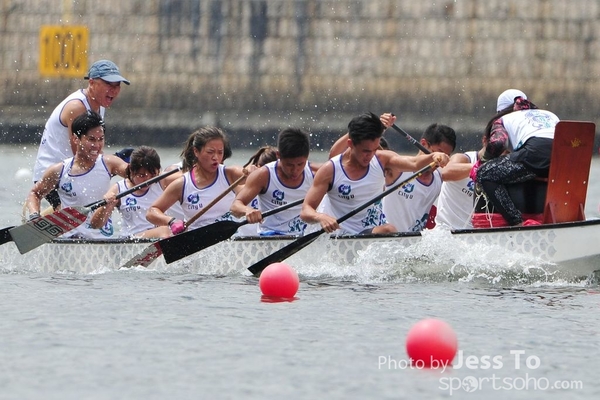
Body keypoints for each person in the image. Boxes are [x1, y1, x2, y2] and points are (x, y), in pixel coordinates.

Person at [300, 112, 449, 235]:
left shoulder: (382, 159)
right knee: (389, 229)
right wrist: (320, 217)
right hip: (339, 235)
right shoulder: (330, 170)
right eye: (365, 151)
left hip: (372, 232)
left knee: (389, 229)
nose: (370, 156)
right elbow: (306, 210)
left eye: (374, 149)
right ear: (351, 144)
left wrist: (434, 156)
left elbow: (414, 163)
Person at [32, 59, 130, 210]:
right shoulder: (77, 107)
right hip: (53, 176)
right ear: (91, 82)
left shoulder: (99, 103)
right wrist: (113, 163)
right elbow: (81, 152)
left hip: (74, 172)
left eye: (117, 85)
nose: (114, 90)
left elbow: (92, 152)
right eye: (109, 85)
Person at [25, 111, 128, 239]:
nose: (97, 145)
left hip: (102, 240)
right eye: (91, 139)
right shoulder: (59, 170)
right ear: (76, 139)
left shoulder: (110, 163)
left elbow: (136, 175)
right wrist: (34, 216)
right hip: (69, 240)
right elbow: (35, 194)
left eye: (101, 139)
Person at [472, 89, 559, 226]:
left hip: (535, 153)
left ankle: (516, 222)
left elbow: (498, 143)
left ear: (500, 111)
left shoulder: (502, 120)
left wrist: (485, 161)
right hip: (563, 158)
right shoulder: (548, 114)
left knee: (485, 173)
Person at [146, 127, 248, 236]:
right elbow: (152, 212)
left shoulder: (230, 174)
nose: (216, 157)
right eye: (210, 152)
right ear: (196, 151)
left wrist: (252, 170)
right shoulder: (182, 184)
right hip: (197, 241)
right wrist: (171, 221)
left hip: (230, 240)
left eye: (220, 152)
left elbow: (253, 174)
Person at [231, 129, 321, 236]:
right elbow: (235, 206)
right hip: (270, 236)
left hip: (303, 236)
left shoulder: (317, 173)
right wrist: (247, 210)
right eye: (289, 165)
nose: (295, 170)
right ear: (278, 155)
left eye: (300, 164)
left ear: (307, 156)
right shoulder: (263, 175)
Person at [378, 117, 456, 232]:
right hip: (386, 237)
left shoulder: (440, 176)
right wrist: (380, 128)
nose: (442, 159)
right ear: (423, 144)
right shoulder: (397, 169)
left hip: (414, 241)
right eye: (439, 153)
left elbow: (466, 169)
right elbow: (372, 150)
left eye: (446, 156)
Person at [89, 146, 172, 238]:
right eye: (142, 175)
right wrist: (106, 206)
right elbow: (95, 225)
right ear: (131, 170)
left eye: (152, 175)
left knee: (167, 230)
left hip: (159, 237)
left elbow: (183, 177)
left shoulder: (162, 182)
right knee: (165, 230)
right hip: (131, 240)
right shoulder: (119, 188)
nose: (148, 180)